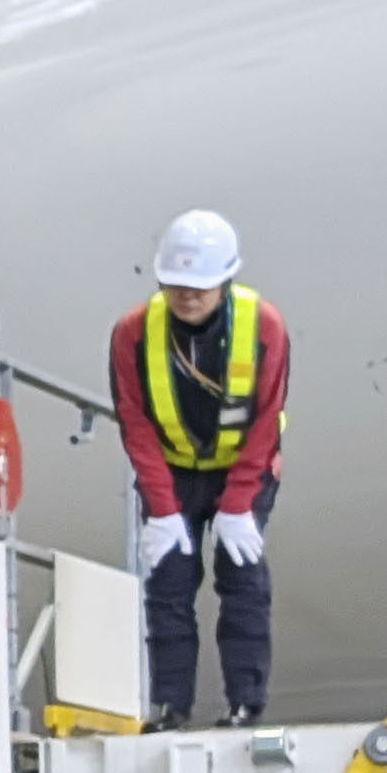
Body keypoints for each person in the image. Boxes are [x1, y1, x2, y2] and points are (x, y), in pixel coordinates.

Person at [109, 209, 290, 726]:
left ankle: (245, 701)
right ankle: (170, 704)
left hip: (245, 470)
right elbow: (136, 425)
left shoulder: (265, 328)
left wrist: (239, 507)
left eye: (200, 286)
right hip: (173, 473)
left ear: (225, 281)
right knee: (168, 584)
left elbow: (265, 420)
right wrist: (162, 511)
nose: (187, 296)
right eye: (176, 285)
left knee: (243, 580)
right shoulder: (134, 334)